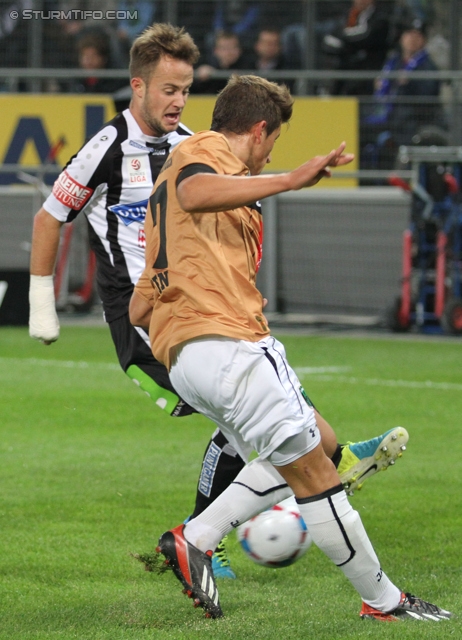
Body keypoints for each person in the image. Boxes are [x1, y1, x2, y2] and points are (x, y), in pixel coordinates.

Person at [29, 22, 407, 583]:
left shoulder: (190, 147)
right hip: (142, 321)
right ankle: (218, 529)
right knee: (246, 418)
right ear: (138, 86)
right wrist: (42, 303)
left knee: (264, 414)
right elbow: (48, 216)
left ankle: (237, 514)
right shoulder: (107, 146)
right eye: (168, 90)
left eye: (185, 90)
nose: (179, 102)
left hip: (193, 305)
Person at [130, 74, 452, 622]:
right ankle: (385, 602)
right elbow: (195, 191)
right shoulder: (204, 151)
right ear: (259, 130)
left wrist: (181, 315)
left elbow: (139, 308)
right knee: (317, 476)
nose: (270, 153)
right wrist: (290, 179)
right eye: (274, 141)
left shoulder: (176, 199)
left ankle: (198, 537)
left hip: (190, 356)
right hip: (228, 344)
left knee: (316, 448)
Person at [360, 16, 443, 170]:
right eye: (409, 34)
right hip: (387, 118)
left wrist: (410, 83)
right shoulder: (394, 62)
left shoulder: (427, 66)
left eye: (417, 35)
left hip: (411, 123)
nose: (412, 39)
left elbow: (428, 96)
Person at [322, 0, 390, 95]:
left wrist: (342, 40)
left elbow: (366, 37)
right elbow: (328, 39)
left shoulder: (380, 18)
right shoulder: (347, 15)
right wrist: (346, 45)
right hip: (344, 70)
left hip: (367, 74)